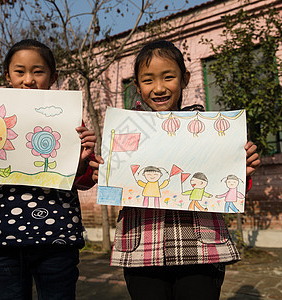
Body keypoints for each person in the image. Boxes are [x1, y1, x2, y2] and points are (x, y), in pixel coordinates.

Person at [90, 40, 260, 300]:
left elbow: (224, 186)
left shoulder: (208, 130)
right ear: (137, 86)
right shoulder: (125, 131)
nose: (158, 88)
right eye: (148, 80)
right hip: (142, 246)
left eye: (168, 77)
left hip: (200, 248)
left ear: (184, 79)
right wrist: (105, 175)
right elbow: (117, 186)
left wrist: (240, 171)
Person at [0, 39, 96, 300]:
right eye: (20, 71)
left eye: (38, 71)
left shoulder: (70, 120)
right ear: (7, 76)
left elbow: (83, 180)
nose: (29, 80)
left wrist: (83, 160)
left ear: (53, 76)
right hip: (3, 238)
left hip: (57, 237)